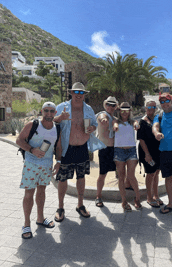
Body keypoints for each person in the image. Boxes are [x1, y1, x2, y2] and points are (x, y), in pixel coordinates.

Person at [54, 82, 106, 221]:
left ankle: (80, 205)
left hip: (82, 148)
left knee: (81, 177)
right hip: (67, 148)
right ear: (71, 93)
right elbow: (52, 121)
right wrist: (60, 118)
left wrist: (93, 128)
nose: (78, 95)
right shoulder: (61, 107)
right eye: (76, 92)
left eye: (81, 93)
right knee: (62, 178)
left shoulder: (88, 109)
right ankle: (60, 207)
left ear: (84, 95)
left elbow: (94, 124)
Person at [16, 102, 62, 239]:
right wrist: (32, 150)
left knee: (42, 191)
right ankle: (26, 224)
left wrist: (58, 162)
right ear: (42, 111)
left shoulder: (57, 128)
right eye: (46, 111)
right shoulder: (33, 124)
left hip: (47, 165)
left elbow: (58, 147)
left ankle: (40, 219)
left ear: (55, 113)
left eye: (52, 111)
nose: (49, 114)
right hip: (31, 164)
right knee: (29, 193)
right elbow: (19, 140)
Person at [113, 102, 141, 212]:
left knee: (131, 176)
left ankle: (137, 198)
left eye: (127, 110)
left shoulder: (133, 121)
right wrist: (115, 126)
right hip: (119, 151)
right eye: (122, 110)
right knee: (121, 177)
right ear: (119, 111)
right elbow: (114, 125)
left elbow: (136, 124)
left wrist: (136, 126)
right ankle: (124, 201)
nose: (124, 112)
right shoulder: (116, 121)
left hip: (131, 151)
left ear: (130, 111)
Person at [137, 100, 163, 208]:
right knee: (150, 173)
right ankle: (149, 197)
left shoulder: (157, 119)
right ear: (145, 108)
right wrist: (147, 154)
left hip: (157, 151)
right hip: (147, 152)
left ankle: (156, 195)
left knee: (156, 172)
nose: (151, 109)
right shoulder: (142, 122)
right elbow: (141, 139)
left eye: (153, 107)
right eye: (149, 107)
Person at [95, 96, 118, 207]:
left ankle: (126, 190)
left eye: (113, 105)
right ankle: (98, 196)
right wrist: (103, 120)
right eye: (108, 104)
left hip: (115, 149)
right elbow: (102, 118)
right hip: (105, 149)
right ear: (105, 105)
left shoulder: (114, 118)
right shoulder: (103, 115)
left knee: (121, 171)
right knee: (102, 174)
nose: (110, 106)